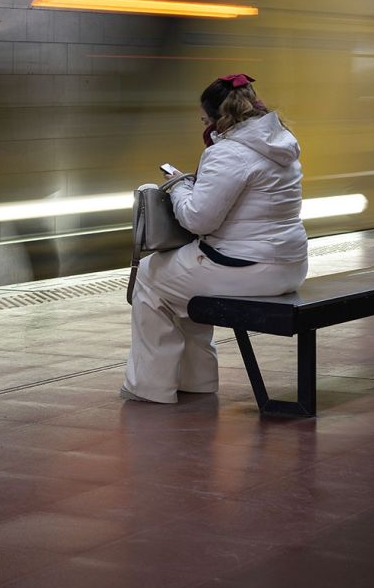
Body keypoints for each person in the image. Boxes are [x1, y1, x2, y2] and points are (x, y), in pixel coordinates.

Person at [122, 73, 308, 403]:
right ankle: (197, 381)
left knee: (151, 277)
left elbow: (197, 219)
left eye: (204, 118)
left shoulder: (229, 152)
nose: (202, 123)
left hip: (248, 269)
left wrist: (179, 185)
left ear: (217, 118)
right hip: (290, 266)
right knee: (184, 281)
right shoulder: (281, 142)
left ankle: (150, 387)